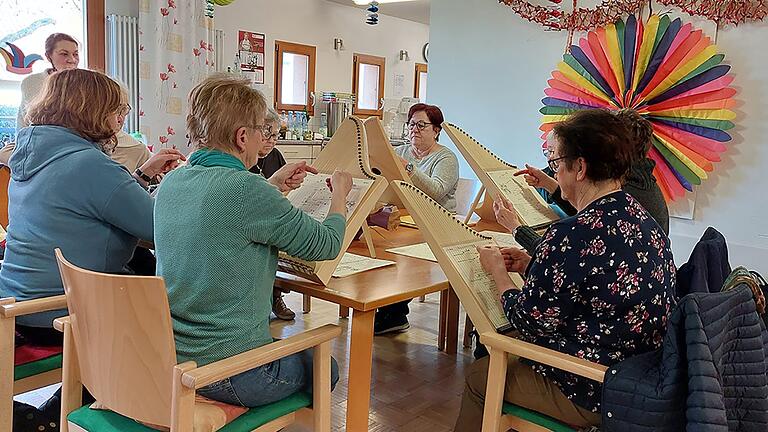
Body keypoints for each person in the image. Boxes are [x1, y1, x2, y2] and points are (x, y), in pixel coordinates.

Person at [453, 109, 677, 431]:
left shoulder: (573, 234)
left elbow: (531, 321)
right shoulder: (642, 220)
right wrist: (533, 265)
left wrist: (498, 274)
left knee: (480, 376)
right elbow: (601, 283)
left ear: (580, 168)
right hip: (641, 374)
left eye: (556, 163)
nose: (554, 172)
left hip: (596, 385)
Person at [0, 68, 183, 430]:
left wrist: (142, 176)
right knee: (160, 309)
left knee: (141, 265)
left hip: (17, 300)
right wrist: (177, 185)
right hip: (59, 310)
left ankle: (54, 411)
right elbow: (158, 226)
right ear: (94, 112)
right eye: (118, 111)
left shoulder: (29, 156)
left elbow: (95, 203)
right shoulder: (91, 164)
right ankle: (67, 414)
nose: (120, 120)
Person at [154, 75, 350, 408]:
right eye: (262, 130)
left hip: (172, 357)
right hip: (232, 372)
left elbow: (224, 218)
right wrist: (341, 197)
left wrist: (270, 184)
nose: (265, 138)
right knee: (325, 367)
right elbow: (327, 244)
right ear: (243, 136)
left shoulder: (171, 182)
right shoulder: (248, 190)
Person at [508, 109, 670, 255]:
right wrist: (549, 184)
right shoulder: (635, 190)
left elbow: (563, 252)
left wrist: (517, 231)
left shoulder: (624, 194)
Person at [375, 103, 460, 335]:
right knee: (377, 246)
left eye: (422, 125)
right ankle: (385, 306)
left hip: (435, 222)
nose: (415, 130)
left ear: (436, 130)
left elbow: (435, 191)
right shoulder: (400, 151)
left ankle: (395, 313)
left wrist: (409, 168)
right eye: (412, 124)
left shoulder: (446, 158)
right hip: (403, 218)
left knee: (401, 253)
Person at [0, 33, 81, 165]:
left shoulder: (85, 83)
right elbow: (33, 122)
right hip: (36, 140)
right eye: (64, 54)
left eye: (75, 54)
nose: (72, 59)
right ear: (49, 56)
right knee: (4, 153)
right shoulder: (32, 82)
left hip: (74, 141)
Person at [248, 108, 295, 321]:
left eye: (276, 135)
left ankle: (276, 293)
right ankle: (273, 295)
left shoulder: (275, 156)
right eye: (267, 134)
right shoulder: (245, 159)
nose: (271, 141)